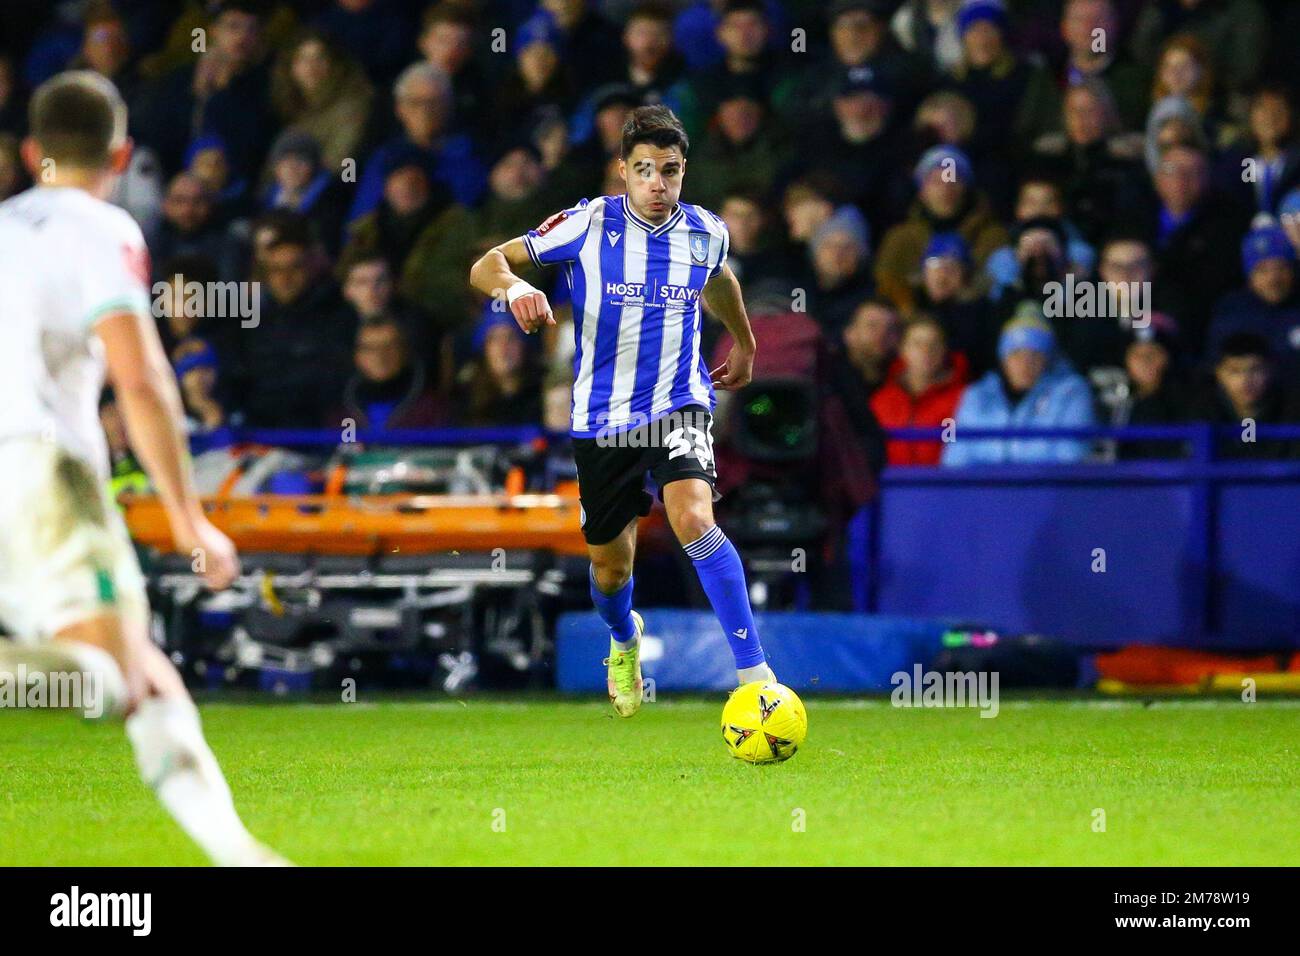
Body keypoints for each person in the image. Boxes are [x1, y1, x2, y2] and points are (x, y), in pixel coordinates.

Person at [0, 71, 286, 866]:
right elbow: (142, 378)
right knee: (106, 674)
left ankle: (240, 855)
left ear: (30, 153)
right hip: (38, 470)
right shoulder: (99, 227)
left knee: (148, 677)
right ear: (121, 153)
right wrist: (191, 517)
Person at [469, 105, 777, 718]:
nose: (658, 185)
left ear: (684, 171)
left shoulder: (706, 232)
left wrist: (744, 342)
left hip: (678, 403)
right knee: (611, 570)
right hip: (602, 419)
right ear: (623, 172)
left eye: (670, 170)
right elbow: (487, 265)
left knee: (693, 517)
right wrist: (519, 288)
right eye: (645, 171)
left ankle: (755, 675)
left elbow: (718, 282)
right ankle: (622, 637)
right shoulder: (586, 225)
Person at [942, 304, 1097, 465]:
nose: (1025, 364)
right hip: (983, 489)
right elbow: (954, 458)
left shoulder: (1071, 393)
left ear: (1048, 360)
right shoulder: (975, 396)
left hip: (1045, 489)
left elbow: (1071, 458)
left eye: (1034, 355)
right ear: (1003, 359)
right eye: (1016, 354)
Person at [870, 315, 970, 465]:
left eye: (934, 344)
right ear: (902, 349)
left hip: (942, 484)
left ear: (944, 350)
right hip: (890, 485)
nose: (926, 351)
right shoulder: (880, 401)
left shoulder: (963, 400)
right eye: (917, 344)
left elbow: (955, 448)